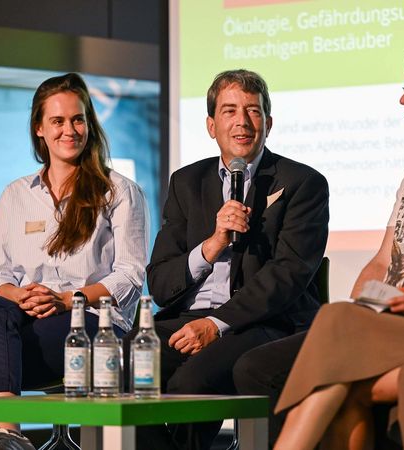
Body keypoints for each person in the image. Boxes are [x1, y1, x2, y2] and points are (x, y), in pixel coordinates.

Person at [233, 33, 404, 446]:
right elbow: (380, 261)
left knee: (299, 371)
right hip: (384, 317)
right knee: (256, 365)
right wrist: (362, 310)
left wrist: (379, 315)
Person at [124, 69, 329, 449]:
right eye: (230, 111)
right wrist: (212, 245)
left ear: (268, 122)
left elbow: (288, 275)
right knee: (119, 365)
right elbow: (162, 279)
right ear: (210, 124)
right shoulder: (187, 182)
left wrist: (216, 324)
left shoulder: (303, 182)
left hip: (260, 324)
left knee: (191, 382)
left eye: (252, 111)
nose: (242, 122)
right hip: (185, 320)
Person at [0, 73, 149, 450]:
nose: (70, 130)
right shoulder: (15, 195)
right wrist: (22, 296)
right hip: (28, 318)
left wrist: (65, 300)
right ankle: (9, 433)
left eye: (78, 120)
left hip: (93, 325)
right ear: (39, 129)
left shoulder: (119, 191)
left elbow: (130, 275)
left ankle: (7, 433)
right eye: (58, 121)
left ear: (89, 125)